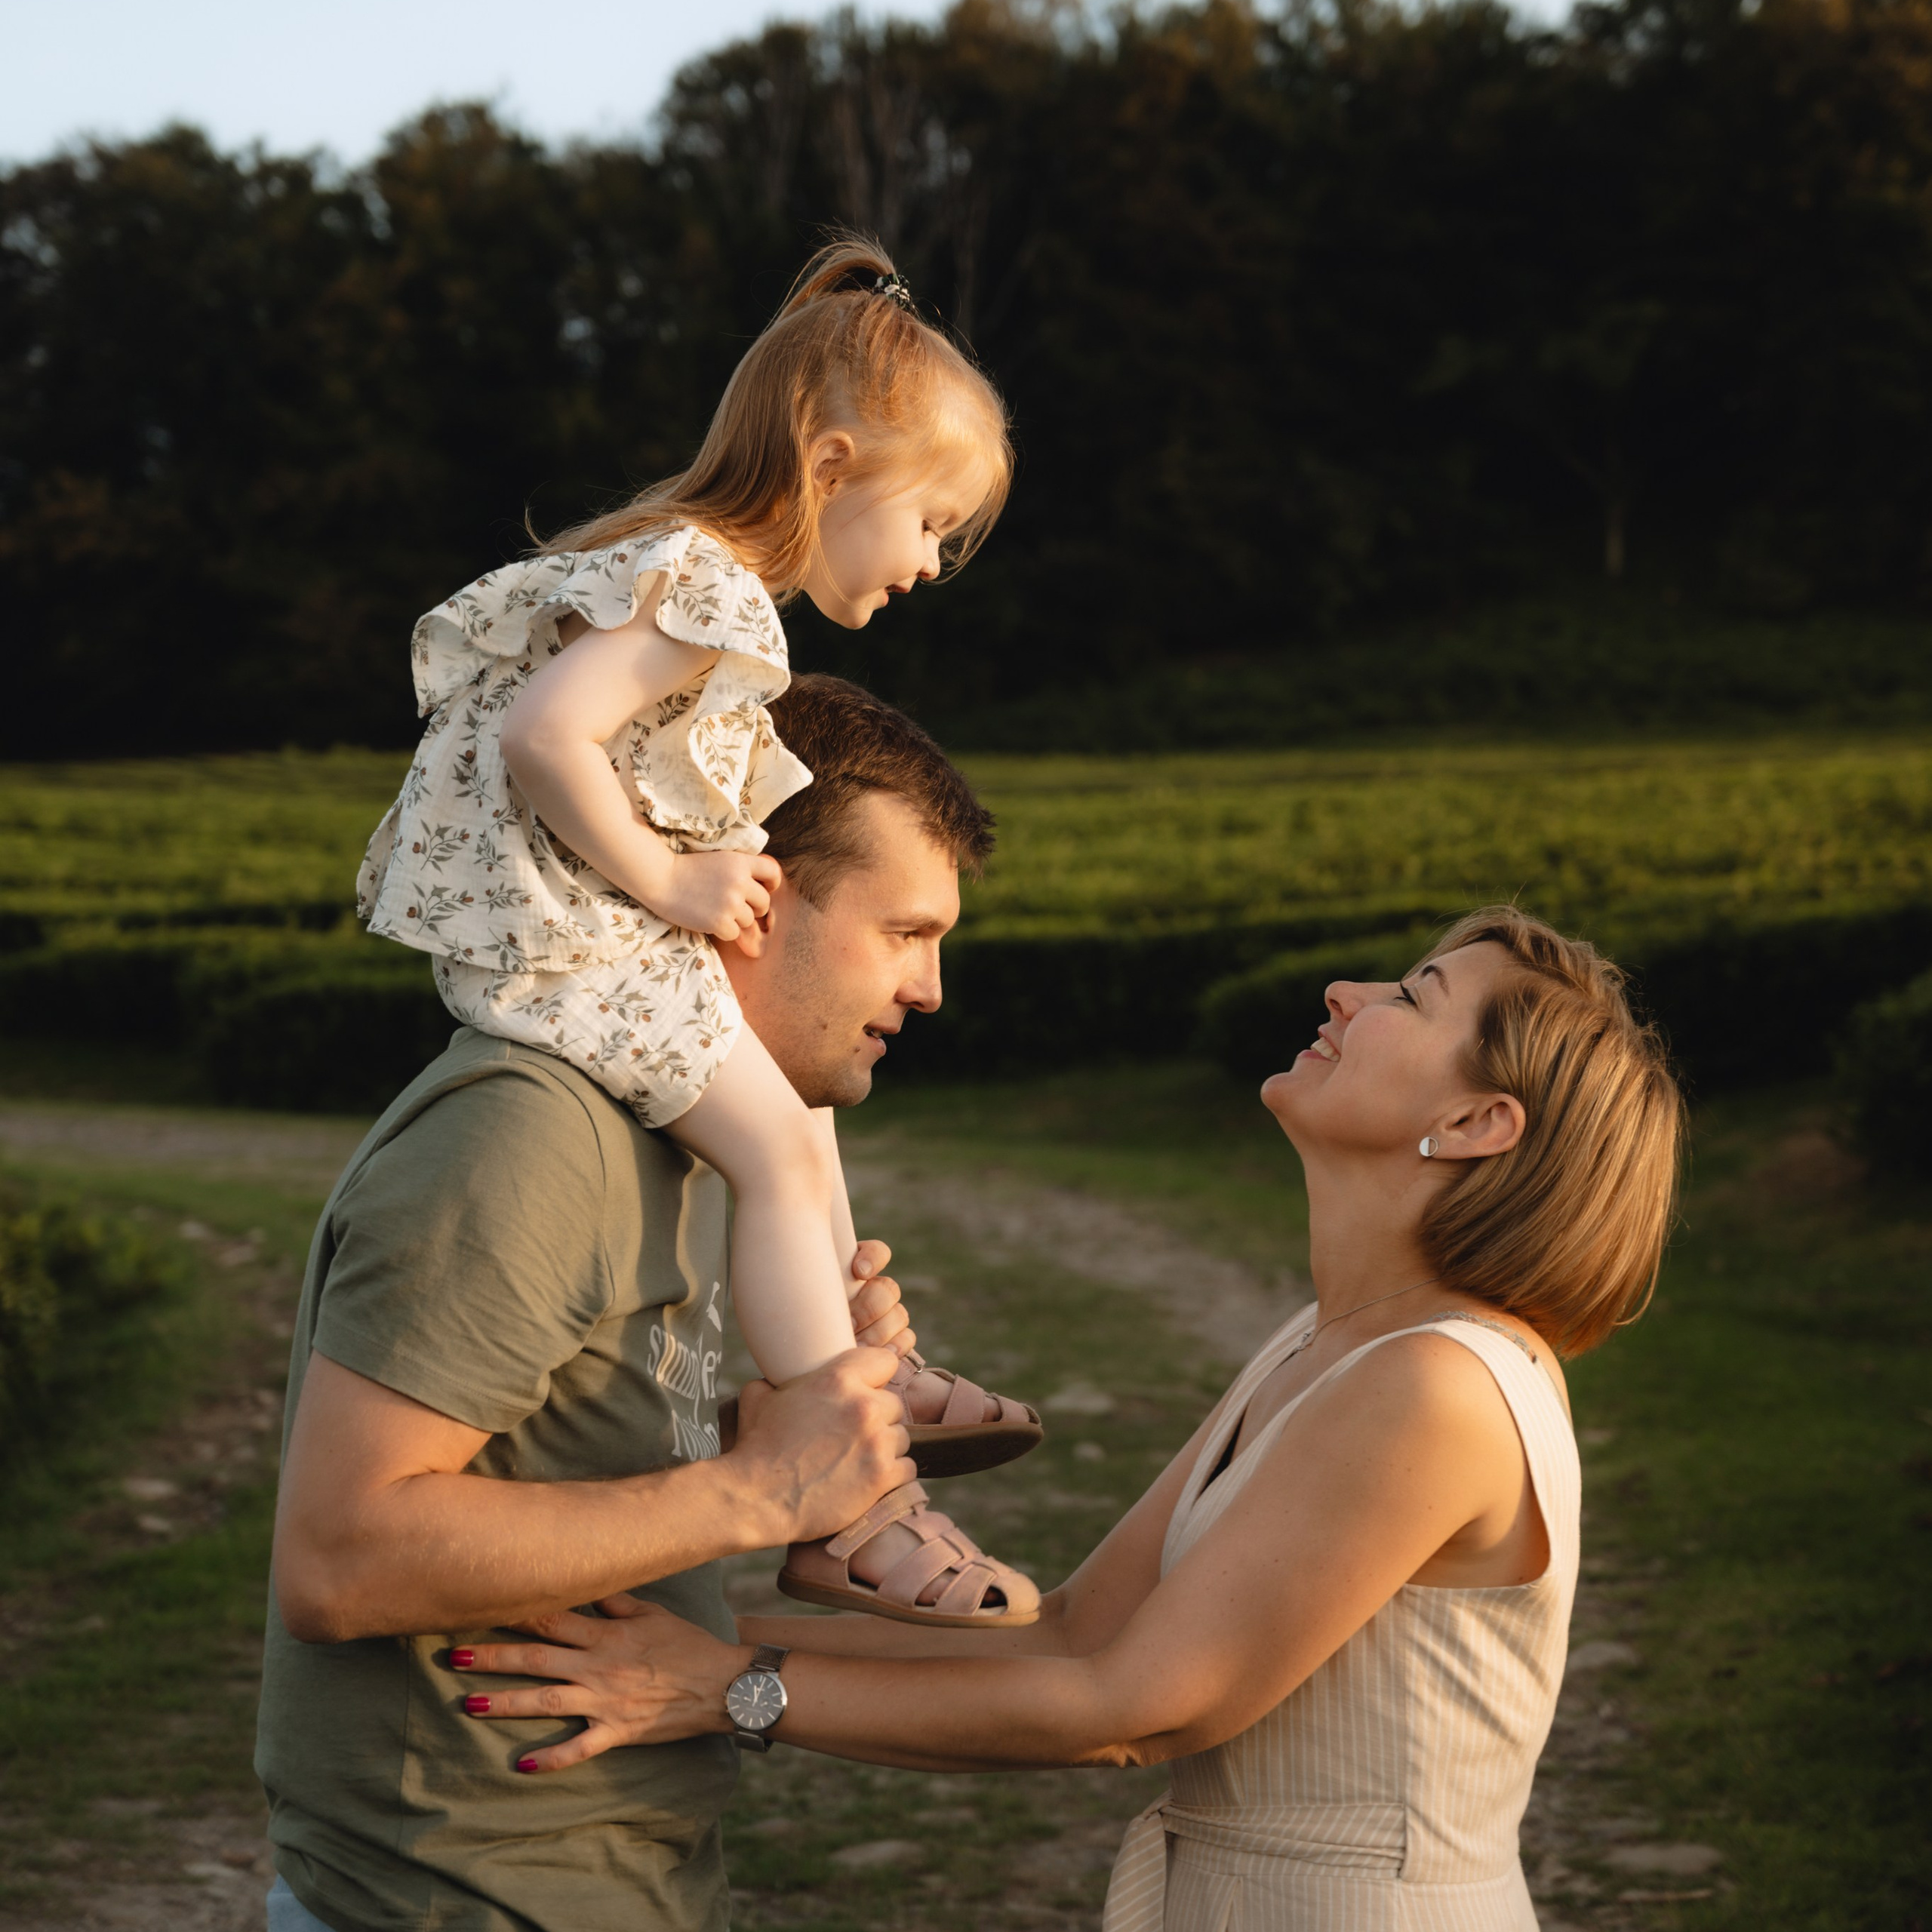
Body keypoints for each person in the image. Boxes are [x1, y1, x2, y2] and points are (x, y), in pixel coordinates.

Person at [450, 906, 1686, 1930]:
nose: (1347, 991)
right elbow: (1078, 1632)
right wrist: (680, 1623)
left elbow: (1132, 1705)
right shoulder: (1329, 1346)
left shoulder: (1438, 1389)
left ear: (1477, 1126)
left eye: (1414, 997)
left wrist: (727, 1688)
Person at [353, 233, 1039, 1629]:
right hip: (569, 937)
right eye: (930, 526)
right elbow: (551, 736)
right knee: (781, 1152)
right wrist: (669, 887)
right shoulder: (713, 586)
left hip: (581, 918)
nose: (931, 564)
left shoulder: (687, 570)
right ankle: (857, 1510)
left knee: (796, 1112)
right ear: (833, 465)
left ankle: (860, 1371)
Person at [258, 677, 1019, 1932]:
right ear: (748, 898)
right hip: (458, 1895)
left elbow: (561, 1459)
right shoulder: (528, 1136)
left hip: (605, 1879)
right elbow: (338, 1558)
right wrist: (762, 1490)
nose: (930, 988)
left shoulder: (688, 1145)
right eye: (904, 932)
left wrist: (777, 1435)